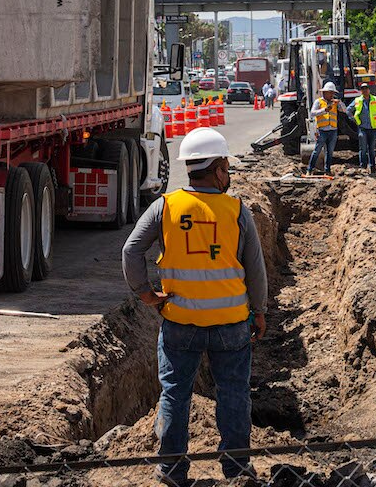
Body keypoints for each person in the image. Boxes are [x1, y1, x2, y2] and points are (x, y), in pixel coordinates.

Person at [122, 128, 268, 487]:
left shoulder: (165, 207)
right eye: (226, 168)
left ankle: (172, 471)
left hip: (180, 322)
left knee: (175, 393)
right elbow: (255, 267)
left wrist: (146, 294)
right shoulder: (236, 210)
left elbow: (131, 251)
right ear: (217, 168)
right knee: (233, 392)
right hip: (231, 324)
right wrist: (260, 310)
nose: (228, 175)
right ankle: (237, 470)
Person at [306, 82, 344, 176]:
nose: (331, 94)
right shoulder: (319, 102)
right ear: (324, 92)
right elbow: (312, 113)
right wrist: (324, 110)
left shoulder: (335, 103)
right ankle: (310, 169)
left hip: (333, 130)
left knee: (329, 152)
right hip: (322, 130)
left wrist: (340, 103)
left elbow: (344, 110)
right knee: (317, 150)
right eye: (329, 92)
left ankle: (327, 171)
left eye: (332, 93)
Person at [347, 81, 376, 175]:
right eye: (363, 89)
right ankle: (363, 166)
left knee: (371, 148)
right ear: (361, 91)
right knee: (363, 148)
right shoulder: (358, 100)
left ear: (369, 89)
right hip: (362, 128)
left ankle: (372, 167)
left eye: (366, 88)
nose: (365, 90)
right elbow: (348, 110)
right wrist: (354, 119)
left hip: (373, 128)